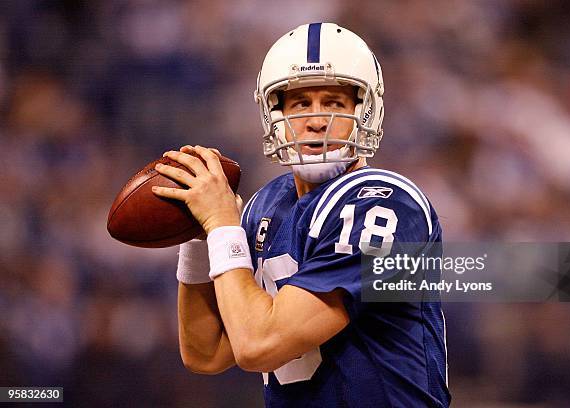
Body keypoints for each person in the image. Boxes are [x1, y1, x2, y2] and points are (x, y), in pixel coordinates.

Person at [152, 22, 450, 408]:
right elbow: (206, 353)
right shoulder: (266, 204)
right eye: (299, 103)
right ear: (273, 114)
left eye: (334, 102)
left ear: (367, 111)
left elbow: (259, 345)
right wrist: (200, 236)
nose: (315, 119)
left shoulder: (384, 202)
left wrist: (223, 226)